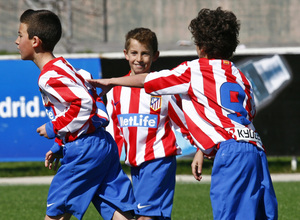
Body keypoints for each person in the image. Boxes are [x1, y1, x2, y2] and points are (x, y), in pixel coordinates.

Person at [88, 7, 278, 220]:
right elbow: (248, 113)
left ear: (201, 46)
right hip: (256, 149)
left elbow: (146, 80)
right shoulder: (241, 76)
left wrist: (110, 81)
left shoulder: (194, 70)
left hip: (230, 152)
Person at [15, 9, 136, 220]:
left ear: (35, 41)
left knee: (57, 213)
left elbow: (83, 104)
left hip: (84, 149)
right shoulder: (68, 67)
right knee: (117, 210)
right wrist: (61, 145)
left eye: (20, 35)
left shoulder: (49, 76)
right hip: (102, 144)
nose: (16, 41)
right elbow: (92, 99)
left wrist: (54, 128)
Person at [105, 27, 193, 220]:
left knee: (145, 217)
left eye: (145, 53)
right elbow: (114, 133)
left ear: (155, 56)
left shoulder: (165, 89)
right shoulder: (115, 93)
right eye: (134, 53)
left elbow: (184, 123)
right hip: (135, 164)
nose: (139, 59)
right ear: (125, 55)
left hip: (159, 160)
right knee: (152, 216)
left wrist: (201, 151)